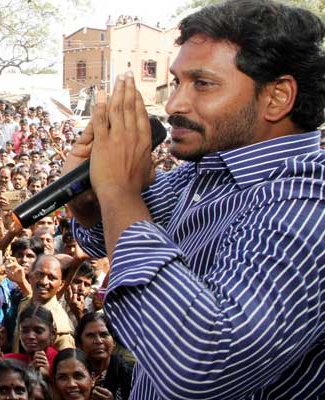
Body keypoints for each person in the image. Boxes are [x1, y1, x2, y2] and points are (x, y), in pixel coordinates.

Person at [68, 1, 325, 398]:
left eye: (202, 84)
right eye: (176, 83)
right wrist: (89, 204)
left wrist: (118, 191)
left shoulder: (307, 204)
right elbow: (110, 239)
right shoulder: (200, 173)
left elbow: (200, 365)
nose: (173, 105)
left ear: (277, 97)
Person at [13, 255, 74, 352]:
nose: (44, 281)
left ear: (61, 285)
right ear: (30, 276)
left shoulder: (60, 325)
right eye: (40, 274)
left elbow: (67, 363)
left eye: (52, 278)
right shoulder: (25, 304)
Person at [75, 312, 132, 400]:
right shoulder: (72, 370)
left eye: (104, 335)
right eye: (90, 335)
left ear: (114, 342)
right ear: (79, 343)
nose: (98, 341)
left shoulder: (128, 374)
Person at [4, 303, 57, 380]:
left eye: (38, 331)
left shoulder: (61, 364)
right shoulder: (9, 363)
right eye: (25, 331)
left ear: (53, 334)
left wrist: (48, 377)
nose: (30, 336)